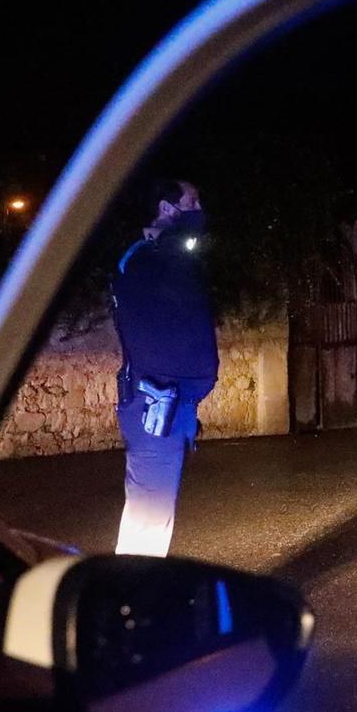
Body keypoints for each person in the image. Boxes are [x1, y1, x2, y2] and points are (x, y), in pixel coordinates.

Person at [111, 178, 218, 556]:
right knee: (149, 521)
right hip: (156, 403)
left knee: (154, 516)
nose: (199, 211)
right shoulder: (144, 260)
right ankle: (131, 601)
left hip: (172, 404)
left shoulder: (163, 260)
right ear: (166, 208)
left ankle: (134, 593)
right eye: (192, 202)